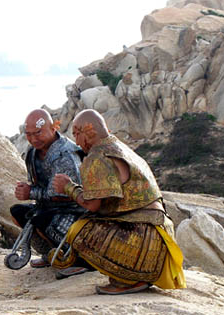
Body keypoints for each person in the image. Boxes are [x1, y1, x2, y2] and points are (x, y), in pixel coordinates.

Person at [51, 109, 186, 295]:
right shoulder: (121, 148)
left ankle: (128, 279)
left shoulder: (96, 157)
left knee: (78, 229)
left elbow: (92, 205)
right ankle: (134, 276)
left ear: (86, 131)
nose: (76, 141)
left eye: (76, 134)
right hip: (161, 234)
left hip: (142, 240)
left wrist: (68, 187)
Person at [11, 109, 87, 275]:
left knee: (42, 219)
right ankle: (49, 253)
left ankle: (78, 259)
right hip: (47, 206)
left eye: (38, 133)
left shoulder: (65, 154)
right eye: (29, 135)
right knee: (18, 212)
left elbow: (62, 194)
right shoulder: (32, 153)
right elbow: (38, 184)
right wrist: (28, 189)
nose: (33, 139)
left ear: (54, 128)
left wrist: (30, 192)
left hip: (75, 209)